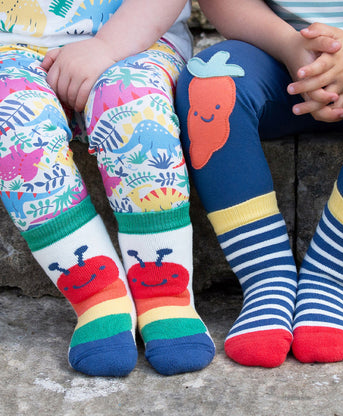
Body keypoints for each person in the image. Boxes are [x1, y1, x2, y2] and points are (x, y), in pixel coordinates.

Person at [175, 0, 343, 367]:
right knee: (205, 82)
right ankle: (266, 278)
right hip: (277, 57)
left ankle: (330, 280)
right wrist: (291, 47)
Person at [0, 0, 215, 377]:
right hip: (10, 49)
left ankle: (164, 293)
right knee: (14, 128)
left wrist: (107, 47)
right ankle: (99, 296)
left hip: (137, 39)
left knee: (134, 106)